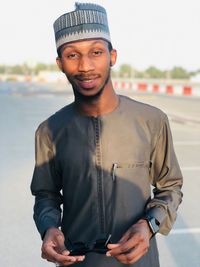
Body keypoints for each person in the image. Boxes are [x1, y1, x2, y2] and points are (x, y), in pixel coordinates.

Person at [31, 2, 183, 267]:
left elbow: (170, 186)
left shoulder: (151, 120)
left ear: (112, 56)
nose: (85, 66)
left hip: (139, 261)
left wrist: (149, 226)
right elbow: (46, 195)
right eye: (72, 55)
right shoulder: (49, 131)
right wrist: (48, 228)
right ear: (60, 64)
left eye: (96, 52)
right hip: (77, 262)